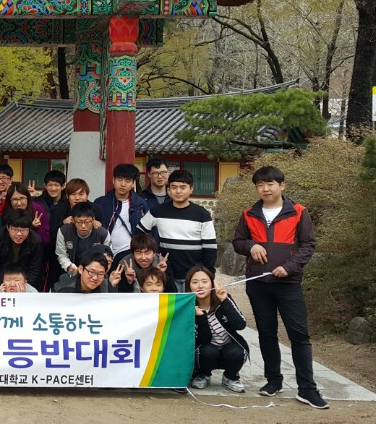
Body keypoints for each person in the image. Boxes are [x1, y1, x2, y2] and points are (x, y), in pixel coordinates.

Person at [232, 166, 327, 409]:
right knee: (266, 333)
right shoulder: (249, 214)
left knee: (299, 335)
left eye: (270, 183)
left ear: (282, 185)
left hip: (288, 284)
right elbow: (238, 242)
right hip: (258, 283)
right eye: (260, 184)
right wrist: (251, 246)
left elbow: (308, 244)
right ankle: (274, 380)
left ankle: (307, 388)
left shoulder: (298, 212)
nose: (265, 188)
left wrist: (289, 267)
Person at [136, 169, 216, 292]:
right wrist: (152, 253)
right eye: (174, 187)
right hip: (166, 273)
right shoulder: (157, 211)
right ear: (168, 190)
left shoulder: (202, 214)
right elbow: (139, 233)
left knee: (192, 304)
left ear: (191, 189)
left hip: (194, 275)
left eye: (183, 187)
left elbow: (210, 248)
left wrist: (208, 273)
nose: (178, 191)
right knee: (169, 304)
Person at [188, 266, 249, 393]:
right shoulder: (189, 307)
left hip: (228, 348)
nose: (200, 286)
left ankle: (230, 377)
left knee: (238, 352)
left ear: (212, 283)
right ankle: (203, 374)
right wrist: (201, 318)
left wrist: (224, 301)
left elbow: (240, 325)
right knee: (207, 351)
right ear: (189, 286)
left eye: (205, 281)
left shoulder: (223, 299)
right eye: (195, 282)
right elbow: (204, 339)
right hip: (207, 351)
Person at [93, 163, 150, 266]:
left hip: (129, 252)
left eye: (127, 181)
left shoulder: (140, 203)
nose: (123, 184)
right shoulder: (101, 202)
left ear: (133, 183)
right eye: (119, 180)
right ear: (113, 180)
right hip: (104, 251)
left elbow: (148, 228)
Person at [55, 201, 111, 280]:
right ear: (73, 220)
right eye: (79, 222)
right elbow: (61, 254)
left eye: (87, 222)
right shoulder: (64, 231)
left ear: (93, 219)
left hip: (95, 273)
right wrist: (69, 266)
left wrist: (92, 271)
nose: (83, 226)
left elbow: (107, 258)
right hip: (71, 271)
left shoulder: (103, 233)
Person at [0, 209, 42, 288]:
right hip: (2, 277)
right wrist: (4, 286)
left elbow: (34, 268)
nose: (19, 234)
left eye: (23, 230)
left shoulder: (36, 240)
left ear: (29, 229)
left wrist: (25, 287)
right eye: (15, 229)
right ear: (8, 227)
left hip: (25, 279)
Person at [54, 252, 123, 294]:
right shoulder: (65, 291)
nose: (95, 278)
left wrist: (111, 286)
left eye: (100, 274)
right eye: (92, 272)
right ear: (81, 269)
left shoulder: (106, 284)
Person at [5, 183, 50, 248]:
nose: (19, 203)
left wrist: (36, 228)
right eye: (14, 199)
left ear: (28, 198)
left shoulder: (37, 210)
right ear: (9, 201)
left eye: (22, 198)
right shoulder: (7, 210)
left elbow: (46, 241)